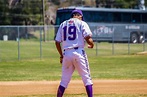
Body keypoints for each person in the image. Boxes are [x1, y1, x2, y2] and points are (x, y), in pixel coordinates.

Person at [55, 9, 94, 97]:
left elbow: (57, 42)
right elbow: (88, 38)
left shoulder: (63, 24)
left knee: (64, 81)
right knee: (87, 79)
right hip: (78, 52)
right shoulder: (81, 23)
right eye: (81, 17)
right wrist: (92, 44)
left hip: (66, 53)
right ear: (80, 16)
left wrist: (61, 56)